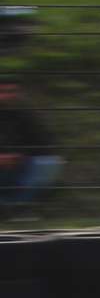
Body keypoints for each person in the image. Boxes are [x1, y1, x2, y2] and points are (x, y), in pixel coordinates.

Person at [0, 78, 59, 216]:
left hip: (18, 164)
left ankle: (18, 208)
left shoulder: (25, 115)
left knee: (48, 163)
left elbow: (44, 141)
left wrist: (20, 156)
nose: (8, 95)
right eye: (3, 91)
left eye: (12, 91)